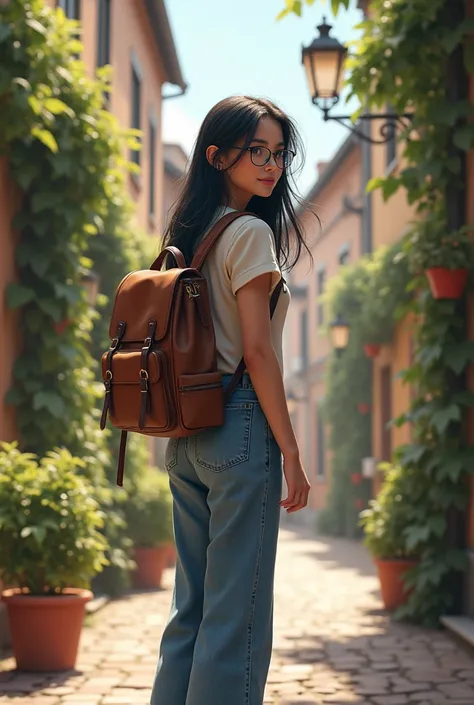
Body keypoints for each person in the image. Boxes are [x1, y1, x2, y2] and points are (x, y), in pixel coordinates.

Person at [150, 95, 315, 705]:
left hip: (187, 434)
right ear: (217, 155)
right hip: (241, 427)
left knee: (189, 614)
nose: (271, 165)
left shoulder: (188, 234)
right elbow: (259, 352)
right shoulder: (247, 232)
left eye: (278, 153)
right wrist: (291, 453)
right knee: (236, 620)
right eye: (256, 152)